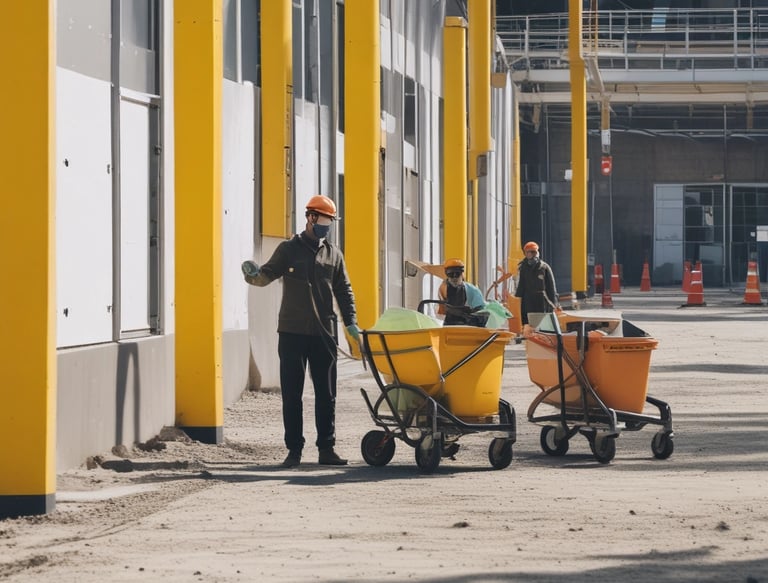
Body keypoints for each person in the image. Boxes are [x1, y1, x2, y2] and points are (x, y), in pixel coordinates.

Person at [241, 194, 360, 468]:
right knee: (293, 394)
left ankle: (326, 449)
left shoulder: (334, 254)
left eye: (331, 222)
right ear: (310, 217)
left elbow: (344, 291)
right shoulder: (288, 249)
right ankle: (294, 451)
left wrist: (350, 323)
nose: (327, 226)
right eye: (324, 220)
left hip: (325, 334)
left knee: (327, 394)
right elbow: (266, 275)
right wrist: (252, 275)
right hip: (292, 333)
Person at [515, 241, 558, 332]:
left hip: (541, 302)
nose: (531, 254)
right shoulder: (523, 267)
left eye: (533, 252)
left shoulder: (544, 267)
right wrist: (516, 302)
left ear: (537, 253)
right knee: (528, 324)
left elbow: (551, 287)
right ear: (525, 253)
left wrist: (553, 304)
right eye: (528, 252)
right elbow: (521, 286)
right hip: (527, 301)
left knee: (543, 326)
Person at [437, 258, 487, 326]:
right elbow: (440, 312)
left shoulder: (473, 291)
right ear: (446, 274)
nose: (454, 277)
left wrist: (469, 316)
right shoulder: (442, 289)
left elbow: (482, 312)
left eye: (457, 273)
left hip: (469, 326)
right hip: (449, 326)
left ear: (462, 273)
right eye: (451, 274)